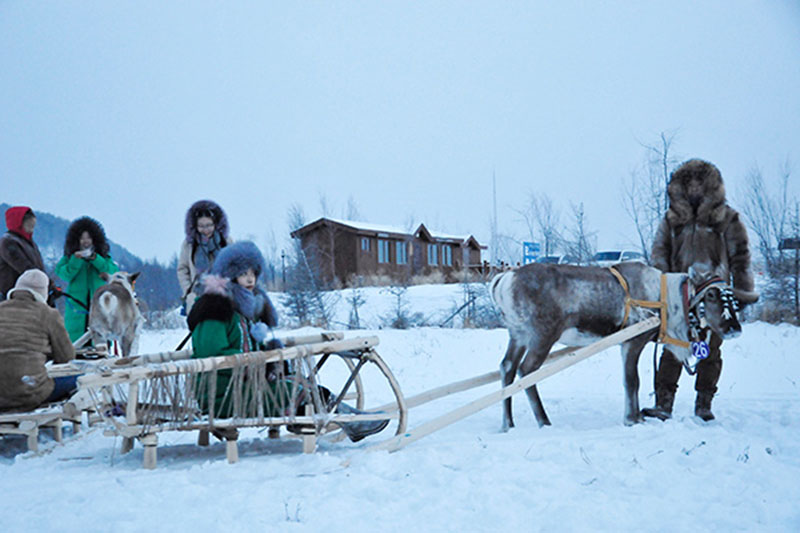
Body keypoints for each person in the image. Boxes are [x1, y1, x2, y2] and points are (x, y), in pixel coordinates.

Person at [187, 241, 388, 442]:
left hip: (244, 386)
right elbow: (211, 356)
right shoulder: (214, 309)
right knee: (290, 389)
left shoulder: (245, 307)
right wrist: (257, 363)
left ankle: (347, 420)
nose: (250, 279)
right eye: (243, 273)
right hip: (221, 395)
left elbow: (255, 344)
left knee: (299, 381)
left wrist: (271, 358)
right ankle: (349, 421)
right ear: (230, 275)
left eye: (253, 273)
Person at [643, 159, 756, 421]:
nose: (694, 190)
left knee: (711, 351)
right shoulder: (672, 220)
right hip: (678, 294)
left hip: (716, 294)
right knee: (673, 348)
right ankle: (664, 404)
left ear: (709, 187)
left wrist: (742, 295)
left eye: (699, 185)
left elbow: (741, 257)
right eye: (688, 185)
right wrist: (659, 290)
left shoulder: (728, 218)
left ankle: (704, 404)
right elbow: (659, 254)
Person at [0, 269, 76, 412]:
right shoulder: (48, 314)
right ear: (43, 293)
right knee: (80, 378)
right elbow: (67, 358)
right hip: (28, 392)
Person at [55, 217, 119, 342]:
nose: (85, 241)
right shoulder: (69, 257)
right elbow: (64, 274)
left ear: (95, 239)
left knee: (100, 339)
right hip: (76, 306)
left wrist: (95, 259)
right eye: (82, 238)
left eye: (88, 237)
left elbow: (111, 271)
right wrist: (76, 260)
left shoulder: (103, 256)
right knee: (76, 339)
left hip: (100, 304)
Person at [177, 199, 232, 316]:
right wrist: (188, 290)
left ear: (215, 224)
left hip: (224, 291)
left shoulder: (226, 242)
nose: (205, 230)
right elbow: (183, 269)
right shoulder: (189, 244)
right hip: (198, 292)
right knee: (200, 326)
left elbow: (235, 264)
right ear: (194, 226)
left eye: (209, 225)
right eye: (201, 226)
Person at [0, 206, 55, 304]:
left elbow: (38, 268)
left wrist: (49, 286)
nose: (32, 230)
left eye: (33, 226)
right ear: (18, 224)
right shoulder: (8, 242)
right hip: (13, 296)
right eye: (29, 226)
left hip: (33, 294)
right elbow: (25, 267)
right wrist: (47, 284)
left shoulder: (29, 243)